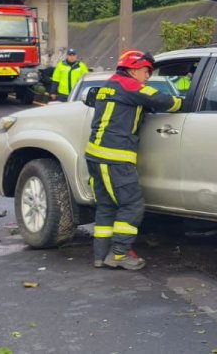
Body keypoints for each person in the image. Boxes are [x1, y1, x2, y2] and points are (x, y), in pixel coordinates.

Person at [86, 50, 182, 270]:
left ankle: (100, 256)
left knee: (106, 206)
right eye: (146, 71)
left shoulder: (110, 85)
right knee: (132, 204)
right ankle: (119, 254)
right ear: (133, 68)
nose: (148, 76)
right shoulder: (130, 86)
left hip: (96, 155)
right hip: (115, 157)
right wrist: (181, 102)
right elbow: (162, 100)